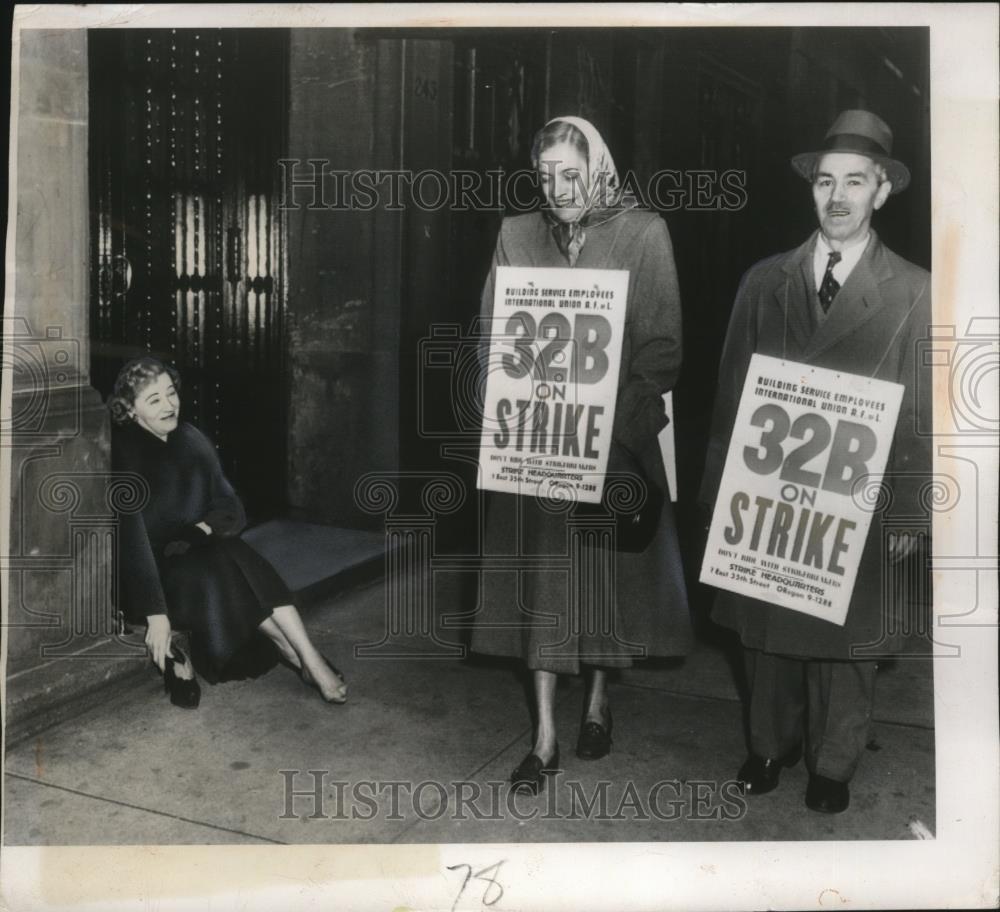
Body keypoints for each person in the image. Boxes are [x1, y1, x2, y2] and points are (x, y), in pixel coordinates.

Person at [698, 110, 931, 813]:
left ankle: (834, 761)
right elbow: (730, 395)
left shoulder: (915, 292)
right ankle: (769, 743)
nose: (837, 196)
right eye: (825, 181)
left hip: (860, 492)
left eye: (855, 182)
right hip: (770, 487)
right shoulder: (763, 281)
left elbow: (922, 407)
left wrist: (913, 509)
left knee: (846, 637)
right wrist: (716, 493)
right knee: (765, 626)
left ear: (882, 192)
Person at [471, 115, 693, 793]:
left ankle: (599, 697)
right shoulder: (515, 235)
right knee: (543, 586)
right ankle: (544, 737)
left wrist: (615, 435)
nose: (560, 189)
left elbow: (662, 351)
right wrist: (502, 411)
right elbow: (490, 339)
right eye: (546, 178)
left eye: (573, 174)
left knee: (603, 581)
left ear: (600, 168)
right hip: (538, 446)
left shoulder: (643, 233)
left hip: (613, 445)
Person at [109, 356, 348, 708]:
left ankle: (306, 655)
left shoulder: (191, 438)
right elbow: (131, 540)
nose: (169, 404)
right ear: (130, 410)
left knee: (227, 554)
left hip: (200, 553)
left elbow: (231, 506)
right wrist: (155, 614)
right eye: (154, 399)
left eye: (171, 393)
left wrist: (202, 530)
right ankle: (297, 654)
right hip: (153, 575)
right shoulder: (123, 453)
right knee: (226, 559)